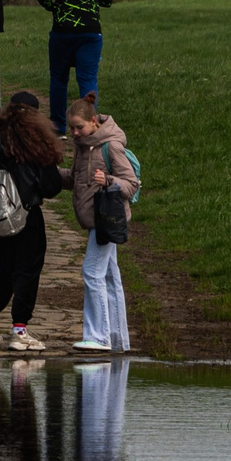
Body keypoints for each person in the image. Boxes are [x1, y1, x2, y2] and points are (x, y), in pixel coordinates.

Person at [0, 92, 62, 351]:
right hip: (27, 214)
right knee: (27, 270)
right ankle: (19, 330)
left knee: (6, 269)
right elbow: (51, 184)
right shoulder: (33, 141)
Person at [66, 95, 139, 353]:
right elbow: (75, 179)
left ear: (94, 121)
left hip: (106, 220)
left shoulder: (111, 146)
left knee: (92, 272)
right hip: (94, 220)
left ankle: (98, 337)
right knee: (109, 277)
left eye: (79, 127)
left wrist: (108, 180)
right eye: (71, 129)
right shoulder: (82, 146)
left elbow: (131, 184)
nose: (75, 133)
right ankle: (119, 340)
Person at [36, 0, 113, 135]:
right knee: (87, 79)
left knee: (59, 79)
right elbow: (107, 0)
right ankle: (90, 126)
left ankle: (59, 126)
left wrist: (54, 8)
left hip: (62, 33)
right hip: (90, 33)